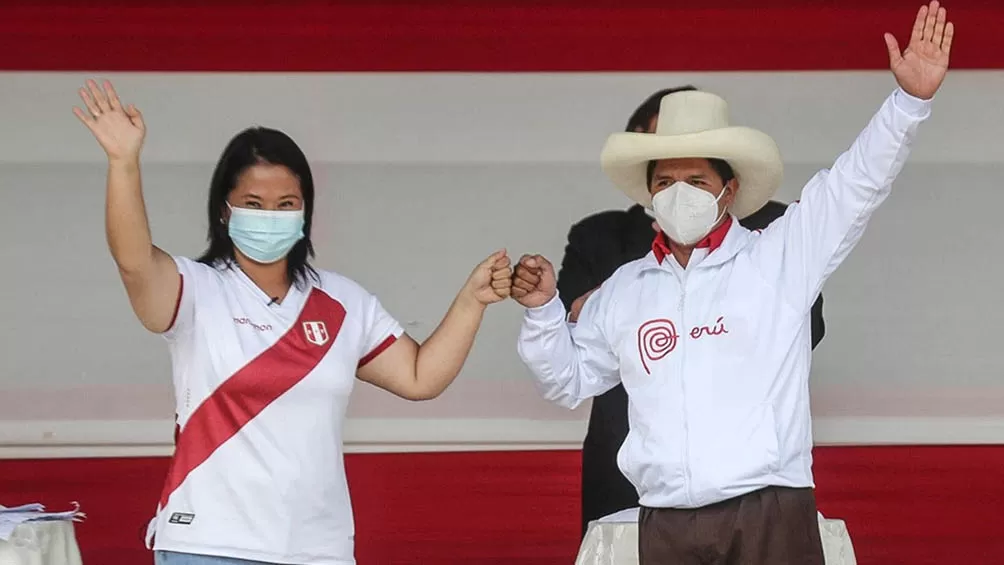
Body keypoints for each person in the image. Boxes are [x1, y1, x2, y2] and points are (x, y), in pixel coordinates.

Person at [511, 3, 952, 563]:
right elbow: (568, 380)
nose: (679, 192)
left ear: (729, 188)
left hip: (770, 511)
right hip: (663, 520)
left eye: (696, 179)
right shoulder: (627, 289)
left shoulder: (779, 257)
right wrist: (544, 310)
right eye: (665, 181)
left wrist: (909, 103)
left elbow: (854, 185)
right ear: (648, 196)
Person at [72, 80, 513, 565]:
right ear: (225, 211)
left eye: (286, 205)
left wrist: (473, 300)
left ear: (305, 211)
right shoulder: (194, 290)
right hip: (209, 545)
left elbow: (419, 376)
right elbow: (134, 261)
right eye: (254, 204)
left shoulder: (343, 302)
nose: (270, 217)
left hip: (317, 549)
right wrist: (123, 163)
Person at [558, 87, 827, 537]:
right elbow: (572, 337)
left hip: (749, 479)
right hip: (624, 460)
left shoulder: (773, 229)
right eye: (664, 159)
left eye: (694, 167)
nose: (679, 184)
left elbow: (809, 323)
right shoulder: (598, 236)